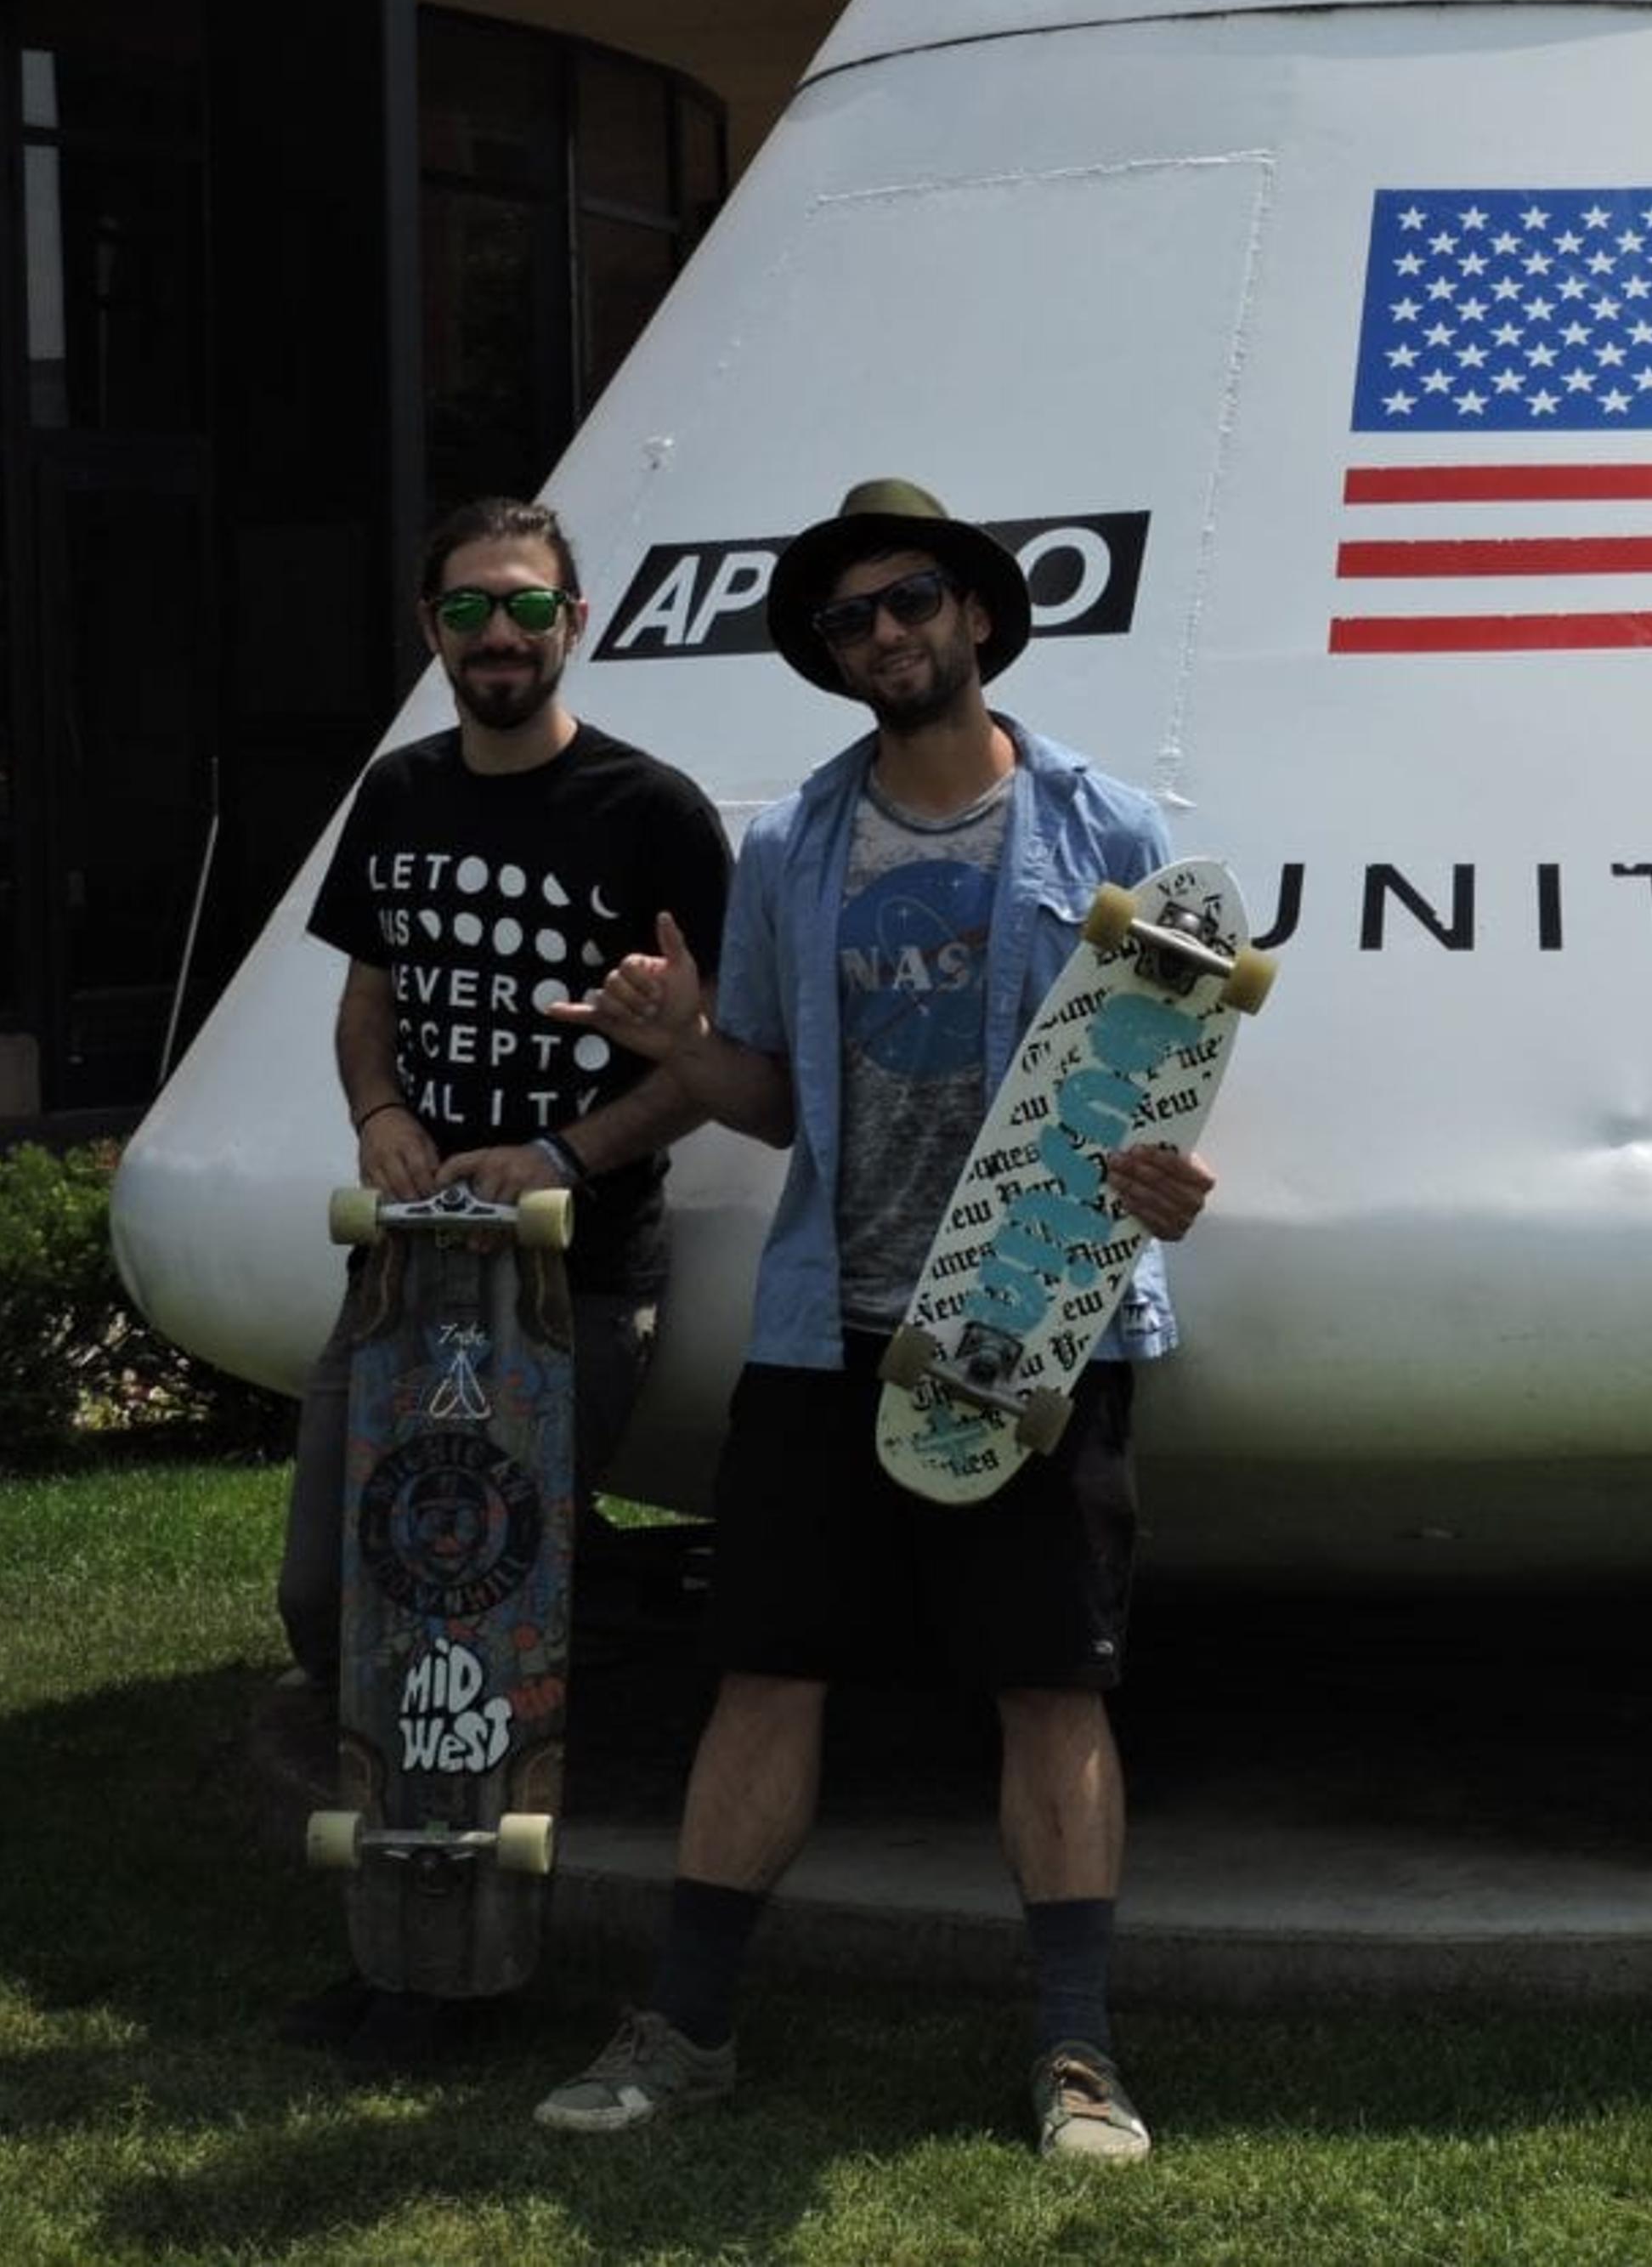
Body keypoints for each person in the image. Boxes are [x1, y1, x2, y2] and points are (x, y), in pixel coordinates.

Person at [529, 479, 1213, 2162]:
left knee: (1053, 1688)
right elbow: (770, 1101)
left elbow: (1169, 1075)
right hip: (825, 1329)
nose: (887, 634)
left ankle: (1076, 2056)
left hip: (1037, 1323)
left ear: (978, 616)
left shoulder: (1114, 832)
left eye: (912, 600)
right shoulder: (792, 848)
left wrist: (1176, 1186)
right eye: (851, 618)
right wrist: (680, 1046)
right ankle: (684, 2025)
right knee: (764, 1674)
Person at [274, 496, 732, 2047]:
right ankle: (404, 1929)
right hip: (407, 1283)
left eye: (525, 609)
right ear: (432, 634)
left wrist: (562, 1155)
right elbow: (366, 1000)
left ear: (574, 621)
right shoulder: (398, 796)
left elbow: (711, 1060)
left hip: (569, 1276)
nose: (498, 638)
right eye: (468, 612)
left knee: (490, 1609)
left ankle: (477, 1958)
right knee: (336, 1590)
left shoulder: (653, 814)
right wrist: (382, 1112)